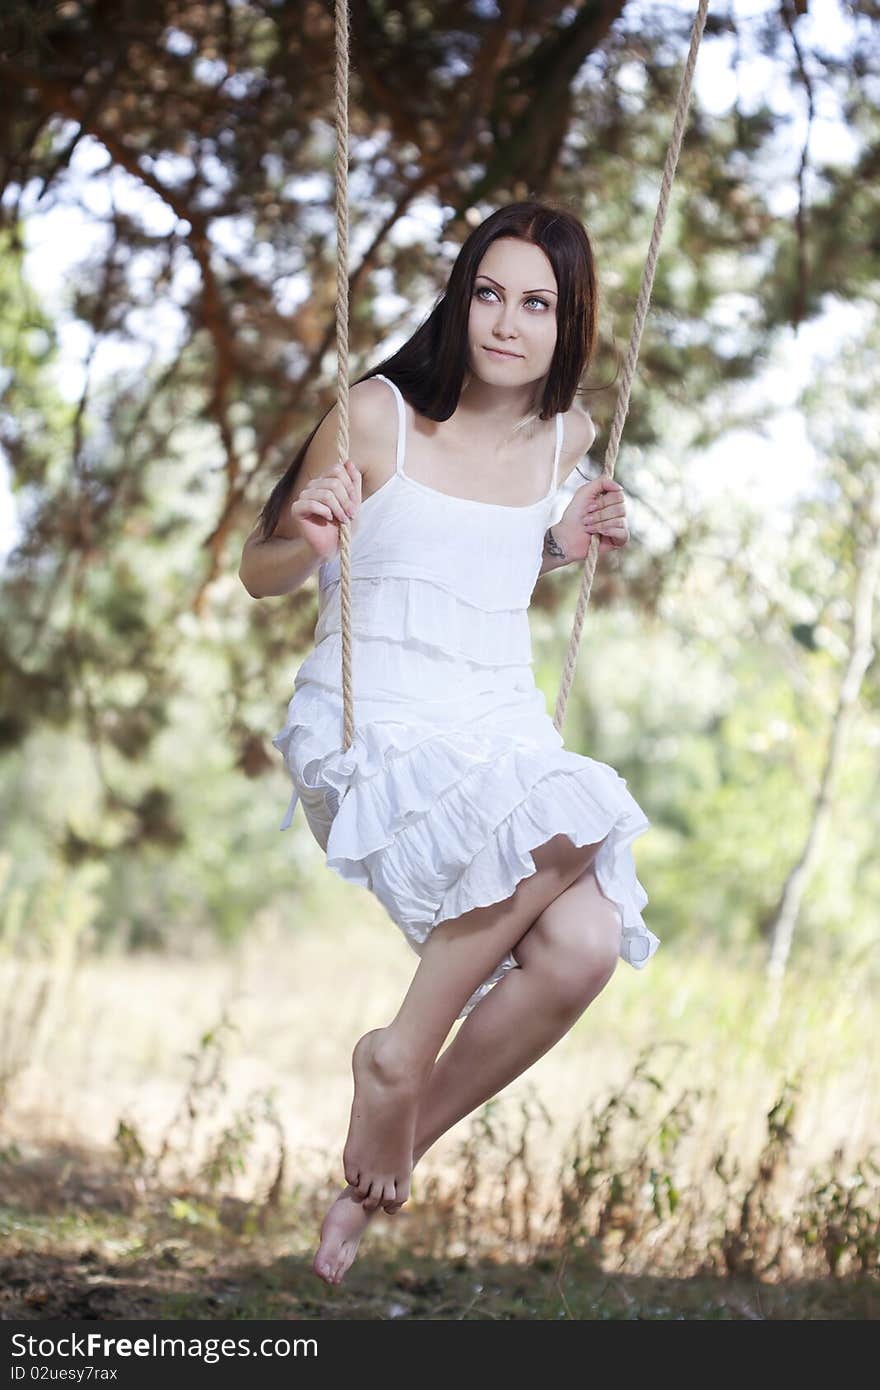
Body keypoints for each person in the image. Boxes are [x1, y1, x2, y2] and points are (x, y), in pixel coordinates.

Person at [239, 199, 658, 1287]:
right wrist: (312, 540)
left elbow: (480, 566)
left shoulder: (565, 437)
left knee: (584, 948)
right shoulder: (376, 414)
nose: (506, 323)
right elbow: (259, 565)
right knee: (577, 807)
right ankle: (396, 1056)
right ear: (459, 297)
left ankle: (389, 1146)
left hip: (496, 719)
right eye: (488, 293)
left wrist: (561, 544)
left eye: (536, 303)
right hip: (372, 716)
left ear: (569, 323)